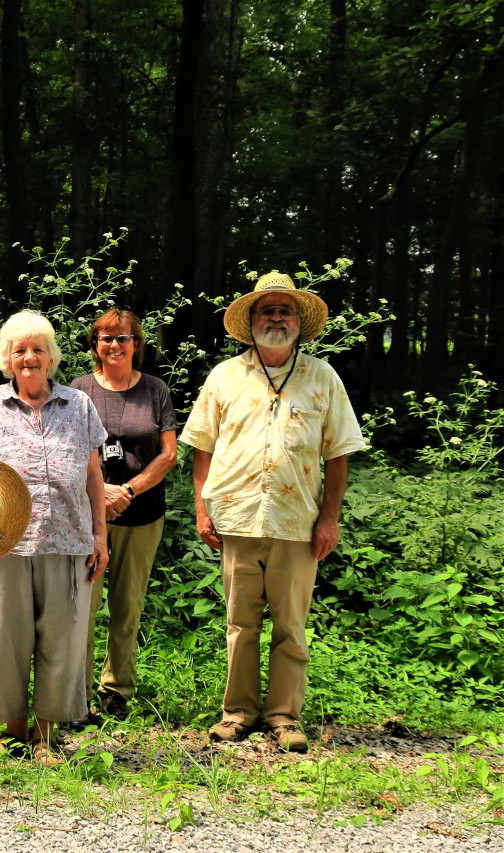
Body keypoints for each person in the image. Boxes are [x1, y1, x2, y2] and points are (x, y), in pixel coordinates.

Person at [180, 272, 366, 753]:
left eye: (286, 310)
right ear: (253, 320)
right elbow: (202, 447)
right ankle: (238, 712)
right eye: (268, 310)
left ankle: (284, 716)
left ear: (299, 322)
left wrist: (329, 518)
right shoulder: (225, 376)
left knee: (291, 625)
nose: (277, 318)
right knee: (241, 624)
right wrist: (202, 509)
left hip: (296, 522)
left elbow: (338, 453)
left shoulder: (322, 377)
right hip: (236, 518)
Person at [0, 309, 109, 764]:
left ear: (52, 357)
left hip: (68, 540)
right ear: (7, 358)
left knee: (62, 639)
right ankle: (12, 730)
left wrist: (100, 534)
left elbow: (94, 472)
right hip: (0, 544)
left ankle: (45, 736)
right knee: (6, 638)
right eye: (20, 350)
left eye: (38, 349)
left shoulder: (78, 405)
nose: (29, 357)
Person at [70, 308, 178, 721]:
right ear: (95, 344)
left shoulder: (155, 390)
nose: (114, 345)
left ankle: (116, 689)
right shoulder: (78, 390)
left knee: (127, 606)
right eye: (105, 338)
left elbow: (168, 454)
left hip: (142, 512)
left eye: (123, 338)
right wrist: (102, 492)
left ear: (137, 343)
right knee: (82, 605)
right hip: (87, 515)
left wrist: (128, 489)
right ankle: (75, 691)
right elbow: (65, 450)